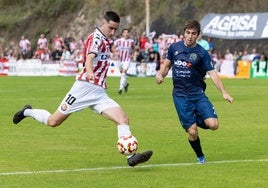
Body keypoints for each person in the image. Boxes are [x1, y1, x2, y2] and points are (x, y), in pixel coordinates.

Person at [13, 11, 153, 167]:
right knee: (53, 121)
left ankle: (131, 157)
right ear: (103, 23)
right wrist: (90, 71)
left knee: (123, 119)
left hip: (99, 92)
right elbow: (89, 58)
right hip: (84, 88)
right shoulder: (96, 38)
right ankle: (27, 112)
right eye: (111, 28)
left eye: (115, 29)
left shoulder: (106, 40)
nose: (113, 32)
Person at [155, 19, 234, 164]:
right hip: (180, 96)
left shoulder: (202, 53)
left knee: (213, 125)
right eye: (188, 33)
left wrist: (224, 92)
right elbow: (166, 66)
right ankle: (200, 157)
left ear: (198, 35)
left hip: (197, 94)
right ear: (184, 33)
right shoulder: (174, 48)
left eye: (193, 33)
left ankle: (193, 119)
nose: (190, 36)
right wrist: (160, 75)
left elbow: (213, 73)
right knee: (192, 132)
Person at [113, 28, 134, 94]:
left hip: (127, 59)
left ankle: (120, 88)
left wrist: (132, 53)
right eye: (125, 32)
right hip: (119, 59)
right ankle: (126, 84)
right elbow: (113, 47)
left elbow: (133, 47)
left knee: (124, 73)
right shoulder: (118, 41)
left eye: (127, 32)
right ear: (122, 33)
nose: (126, 34)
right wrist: (115, 53)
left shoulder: (131, 41)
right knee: (122, 74)